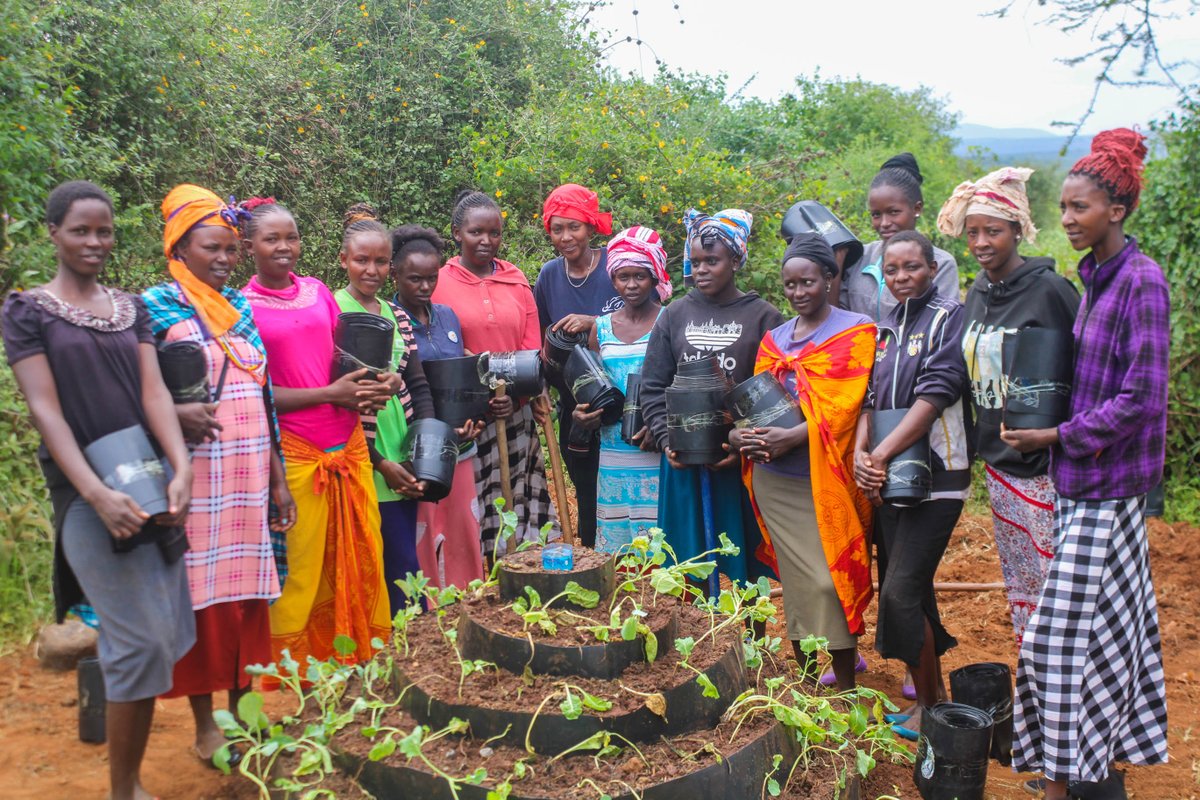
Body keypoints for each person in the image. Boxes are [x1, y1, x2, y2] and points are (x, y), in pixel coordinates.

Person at [3, 181, 194, 800]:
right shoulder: (28, 311)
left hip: (147, 480)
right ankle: (124, 790)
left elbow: (153, 393)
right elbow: (47, 411)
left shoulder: (129, 308)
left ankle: (127, 771)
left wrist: (179, 467)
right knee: (138, 641)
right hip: (88, 497)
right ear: (53, 233)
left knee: (163, 635)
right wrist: (94, 494)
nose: (94, 241)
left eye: (103, 230)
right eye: (80, 230)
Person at [1002, 129, 1169, 800]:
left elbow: (1141, 400)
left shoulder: (1142, 281)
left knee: (1056, 644)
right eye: (1064, 209)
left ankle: (1073, 776)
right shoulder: (1094, 277)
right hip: (1080, 485)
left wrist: (1056, 435)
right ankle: (1090, 774)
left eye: (1079, 209)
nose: (1067, 220)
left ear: (1117, 209)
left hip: (1109, 490)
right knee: (1103, 639)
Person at [142, 184, 293, 766]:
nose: (225, 259)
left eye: (230, 249)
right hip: (197, 476)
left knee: (250, 598)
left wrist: (278, 478)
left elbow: (262, 395)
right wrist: (175, 412)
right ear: (178, 249)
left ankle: (244, 713)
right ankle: (206, 724)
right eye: (212, 248)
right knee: (202, 601)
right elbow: (138, 391)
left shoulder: (240, 308)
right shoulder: (152, 308)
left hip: (251, 474)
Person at [239, 198, 392, 670]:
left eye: (292, 237)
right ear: (249, 247)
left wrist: (379, 383)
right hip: (296, 452)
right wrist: (331, 393)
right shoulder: (242, 307)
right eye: (272, 239)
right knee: (302, 566)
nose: (284, 247)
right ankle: (291, 673)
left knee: (362, 553)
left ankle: (358, 661)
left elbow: (340, 365)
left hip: (346, 444)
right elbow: (254, 394)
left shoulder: (317, 292)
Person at [936, 167, 1080, 646]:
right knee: (1021, 579)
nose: (981, 242)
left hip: (1045, 468)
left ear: (1017, 229)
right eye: (973, 232)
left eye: (993, 231)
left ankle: (1065, 677)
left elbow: (1081, 373)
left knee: (1055, 583)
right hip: (998, 464)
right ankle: (1036, 677)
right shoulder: (976, 292)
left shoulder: (1050, 292)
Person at [734, 233, 875, 689]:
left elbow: (847, 409)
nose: (798, 293)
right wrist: (746, 436)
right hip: (775, 480)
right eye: (790, 285)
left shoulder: (855, 332)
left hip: (824, 477)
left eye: (808, 282)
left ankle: (847, 685)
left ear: (830, 278)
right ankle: (811, 685)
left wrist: (793, 436)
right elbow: (757, 403)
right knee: (797, 585)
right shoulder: (773, 340)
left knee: (828, 582)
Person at [853, 230, 970, 739]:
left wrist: (876, 454)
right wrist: (862, 454)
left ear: (933, 268)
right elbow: (870, 400)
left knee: (899, 593)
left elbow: (938, 393)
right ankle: (932, 703)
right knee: (914, 592)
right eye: (892, 270)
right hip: (888, 479)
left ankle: (931, 708)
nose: (902, 278)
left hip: (938, 477)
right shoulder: (882, 330)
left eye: (912, 268)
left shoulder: (952, 319)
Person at [640, 208, 784, 583]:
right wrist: (667, 439)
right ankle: (693, 639)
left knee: (744, 570)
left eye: (712, 261)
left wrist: (742, 450)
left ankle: (747, 640)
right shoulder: (674, 315)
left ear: (736, 260)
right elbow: (654, 386)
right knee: (685, 567)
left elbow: (775, 394)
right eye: (695, 261)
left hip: (741, 467)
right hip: (682, 466)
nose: (700, 269)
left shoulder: (764, 317)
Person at [431, 190, 560, 553]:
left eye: (495, 233)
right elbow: (445, 348)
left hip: (515, 410)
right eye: (476, 232)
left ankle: (523, 563)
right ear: (457, 233)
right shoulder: (439, 282)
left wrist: (523, 395)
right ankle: (480, 568)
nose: (486, 241)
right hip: (467, 415)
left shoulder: (516, 279)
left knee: (518, 491)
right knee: (477, 496)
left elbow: (530, 346)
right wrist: (485, 396)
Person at [333, 204, 438, 613]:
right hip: (362, 456)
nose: (371, 270)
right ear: (344, 260)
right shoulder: (333, 310)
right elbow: (341, 401)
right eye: (362, 260)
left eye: (380, 261)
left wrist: (423, 454)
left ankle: (413, 645)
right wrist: (379, 462)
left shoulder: (398, 316)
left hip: (403, 453)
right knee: (366, 558)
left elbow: (417, 383)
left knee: (403, 561)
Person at [391, 224, 486, 588]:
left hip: (460, 445)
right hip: (415, 450)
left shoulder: (447, 317)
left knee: (464, 532)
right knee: (423, 536)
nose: (425, 287)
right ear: (395, 274)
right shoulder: (392, 321)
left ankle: (469, 606)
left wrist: (473, 419)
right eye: (415, 279)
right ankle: (426, 618)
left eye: (432, 278)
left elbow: (461, 378)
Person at [534, 184, 620, 548]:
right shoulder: (549, 276)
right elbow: (540, 340)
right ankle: (590, 563)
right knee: (585, 492)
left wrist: (594, 323)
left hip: (622, 402)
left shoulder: (616, 267)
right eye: (557, 229)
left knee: (623, 490)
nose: (566, 237)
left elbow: (647, 324)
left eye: (575, 226)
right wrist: (543, 387)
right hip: (576, 406)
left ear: (591, 226)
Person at [573, 225, 667, 553]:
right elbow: (595, 386)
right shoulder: (600, 328)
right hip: (613, 453)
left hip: (656, 451)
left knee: (661, 547)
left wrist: (661, 426)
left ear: (655, 276)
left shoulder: (669, 322)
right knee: (617, 549)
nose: (630, 285)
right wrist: (585, 414)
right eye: (622, 276)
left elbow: (680, 384)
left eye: (639, 276)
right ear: (612, 279)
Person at [842, 153, 959, 320]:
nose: (884, 223)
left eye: (894, 212)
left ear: (917, 209)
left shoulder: (941, 263)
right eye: (876, 214)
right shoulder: (859, 257)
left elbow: (942, 325)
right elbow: (838, 316)